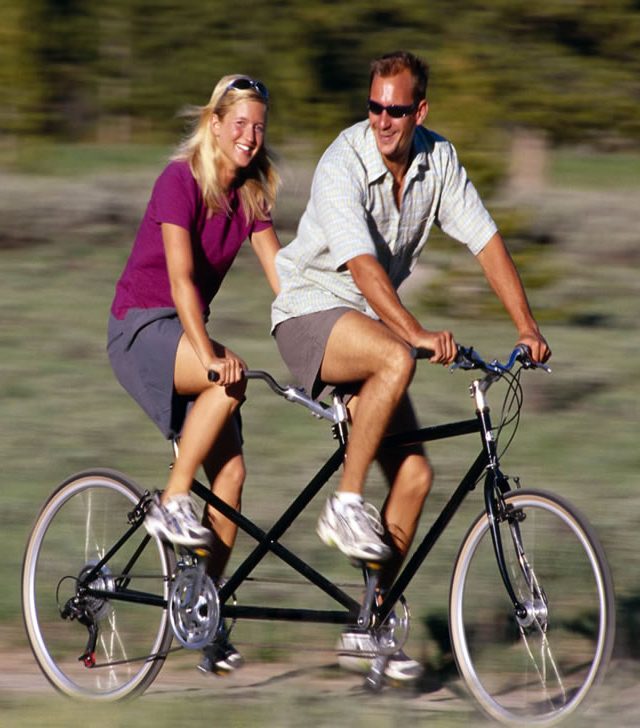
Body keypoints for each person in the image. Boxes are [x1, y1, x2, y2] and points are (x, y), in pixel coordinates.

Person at [270, 51, 551, 682]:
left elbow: (485, 240)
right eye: (374, 107)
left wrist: (527, 328)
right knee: (398, 356)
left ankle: (367, 630)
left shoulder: (438, 161)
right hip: (311, 314)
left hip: (370, 328)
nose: (382, 121)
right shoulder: (344, 160)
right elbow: (364, 270)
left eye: (395, 110)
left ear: (419, 111)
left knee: (417, 475)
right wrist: (416, 332)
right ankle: (345, 505)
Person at [107, 74, 281, 675]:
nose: (251, 137)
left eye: (259, 126)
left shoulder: (251, 196)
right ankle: (173, 500)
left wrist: (320, 334)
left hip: (184, 334)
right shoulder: (178, 181)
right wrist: (207, 354)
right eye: (240, 124)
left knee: (232, 474)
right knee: (225, 381)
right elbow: (181, 279)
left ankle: (204, 614)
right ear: (215, 124)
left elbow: (280, 274)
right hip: (140, 327)